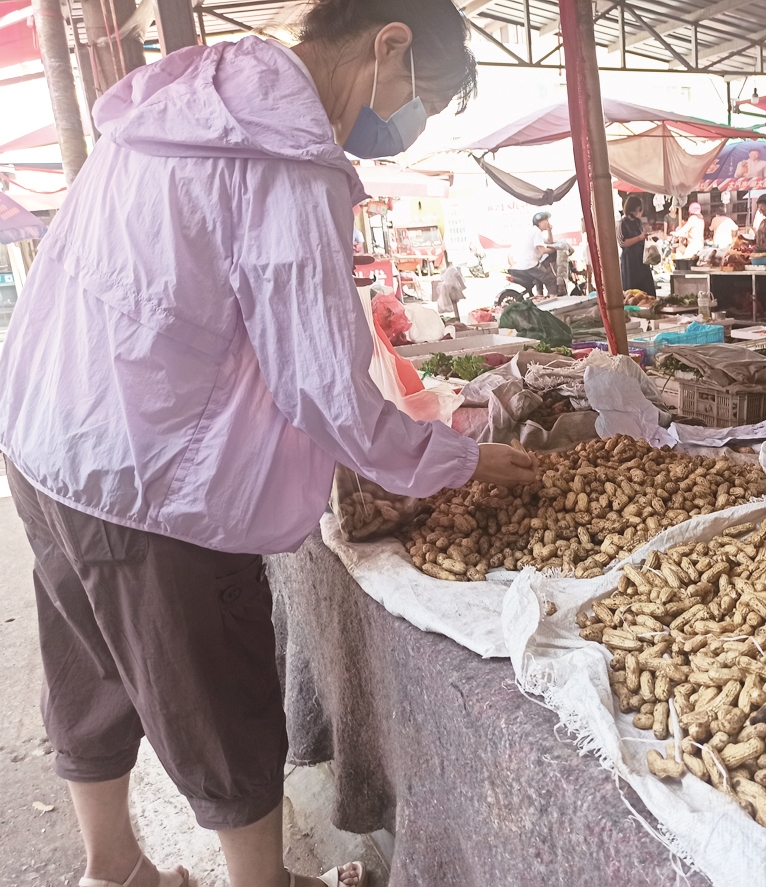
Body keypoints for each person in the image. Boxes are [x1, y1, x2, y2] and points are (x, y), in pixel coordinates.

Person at [0, 3, 539, 887]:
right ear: (388, 43)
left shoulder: (185, 100)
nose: (402, 125)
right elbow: (322, 382)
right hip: (147, 472)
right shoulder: (285, 158)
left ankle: (115, 867)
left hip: (48, 434)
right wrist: (458, 458)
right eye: (418, 99)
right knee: (217, 684)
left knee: (90, 660)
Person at [512, 210, 559, 296]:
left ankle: (540, 298)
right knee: (551, 280)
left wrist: (549, 230)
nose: (548, 222)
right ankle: (553, 300)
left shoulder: (534, 231)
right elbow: (543, 251)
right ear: (540, 222)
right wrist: (555, 249)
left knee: (539, 280)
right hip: (531, 264)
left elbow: (549, 241)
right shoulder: (536, 231)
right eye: (546, 220)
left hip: (525, 263)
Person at [618, 195, 655, 296]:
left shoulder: (638, 222)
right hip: (630, 262)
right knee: (632, 292)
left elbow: (641, 236)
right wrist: (639, 237)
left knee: (648, 290)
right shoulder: (622, 223)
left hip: (642, 259)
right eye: (638, 209)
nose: (640, 212)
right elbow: (622, 242)